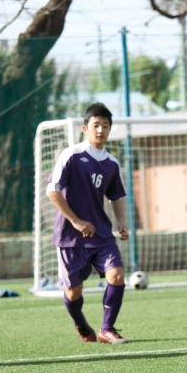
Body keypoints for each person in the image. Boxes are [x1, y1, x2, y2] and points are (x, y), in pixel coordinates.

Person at [46, 102, 129, 344]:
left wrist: (121, 222)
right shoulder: (71, 155)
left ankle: (107, 329)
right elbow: (52, 191)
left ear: (110, 129)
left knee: (117, 276)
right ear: (85, 128)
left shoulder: (112, 163)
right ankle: (81, 324)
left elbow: (116, 196)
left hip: (101, 234)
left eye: (105, 125)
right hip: (70, 236)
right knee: (73, 292)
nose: (101, 130)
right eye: (96, 125)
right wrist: (76, 220)